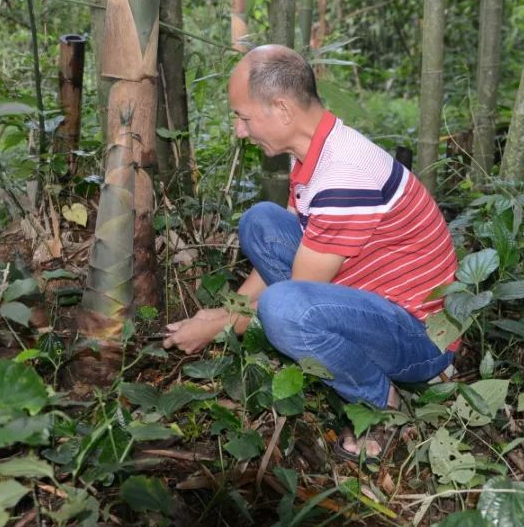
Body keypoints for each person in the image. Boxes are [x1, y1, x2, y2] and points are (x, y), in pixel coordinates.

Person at [162, 44, 458, 461]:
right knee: (261, 221)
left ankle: (381, 404)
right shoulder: (316, 153)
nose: (240, 131)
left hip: (423, 336)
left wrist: (220, 325)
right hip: (372, 296)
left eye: (244, 117)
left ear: (281, 109)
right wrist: (229, 309)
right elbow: (294, 245)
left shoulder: (344, 176)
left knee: (284, 311)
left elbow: (296, 289)